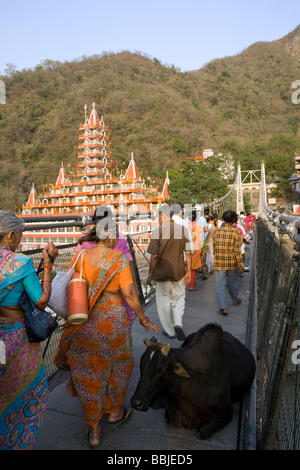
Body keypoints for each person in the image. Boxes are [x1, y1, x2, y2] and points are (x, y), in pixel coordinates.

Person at [54, 219, 159, 449]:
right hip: (113, 324)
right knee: (117, 367)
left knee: (87, 370)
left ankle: (93, 429)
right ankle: (113, 413)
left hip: (84, 320)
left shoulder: (81, 256)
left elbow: (72, 284)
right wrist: (143, 318)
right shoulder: (118, 258)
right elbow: (130, 294)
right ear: (111, 237)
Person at [0, 211, 58, 450]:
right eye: (20, 235)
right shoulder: (20, 263)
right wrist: (47, 263)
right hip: (16, 339)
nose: (21, 240)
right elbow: (42, 301)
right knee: (30, 391)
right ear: (11, 235)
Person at [77, 205, 138, 327]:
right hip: (116, 294)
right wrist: (134, 287)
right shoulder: (118, 237)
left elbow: (78, 267)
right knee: (126, 320)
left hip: (90, 294)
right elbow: (129, 264)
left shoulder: (83, 240)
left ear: (94, 222)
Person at [147, 204, 191, 341]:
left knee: (164, 300)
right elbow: (188, 252)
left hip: (162, 272)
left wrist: (150, 274)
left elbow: (154, 256)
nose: (157, 220)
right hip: (178, 271)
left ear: (162, 215)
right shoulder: (182, 229)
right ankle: (177, 323)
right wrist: (188, 270)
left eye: (158, 217)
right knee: (177, 299)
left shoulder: (158, 231)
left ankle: (169, 331)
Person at [213, 209, 244, 316]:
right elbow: (237, 249)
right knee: (233, 282)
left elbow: (214, 247)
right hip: (232, 262)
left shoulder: (217, 231)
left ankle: (223, 308)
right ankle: (235, 300)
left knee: (220, 284)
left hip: (219, 261)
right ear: (234, 220)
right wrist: (241, 264)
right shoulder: (235, 231)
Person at [188, 210, 203, 291]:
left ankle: (188, 283)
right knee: (193, 268)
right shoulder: (199, 227)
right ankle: (191, 286)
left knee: (188, 267)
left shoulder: (186, 226)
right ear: (196, 218)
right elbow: (200, 239)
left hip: (187, 248)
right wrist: (202, 250)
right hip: (196, 248)